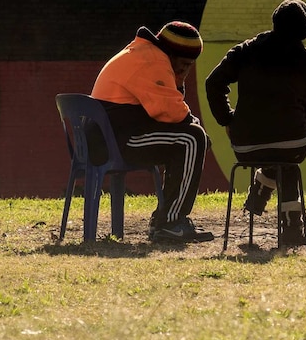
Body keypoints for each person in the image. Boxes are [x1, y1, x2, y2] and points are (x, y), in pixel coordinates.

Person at [204, 0, 306, 246]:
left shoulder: (245, 51)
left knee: (276, 154)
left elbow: (213, 83)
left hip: (248, 146)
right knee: (286, 159)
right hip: (294, 144)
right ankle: (291, 228)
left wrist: (227, 119)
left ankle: (261, 191)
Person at [91, 21, 214, 242]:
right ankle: (171, 222)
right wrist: (199, 130)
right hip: (117, 142)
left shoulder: (142, 52)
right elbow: (173, 113)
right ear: (172, 55)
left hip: (107, 138)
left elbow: (165, 115)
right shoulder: (153, 61)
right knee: (192, 139)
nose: (185, 71)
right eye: (184, 65)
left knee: (187, 138)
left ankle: (165, 218)